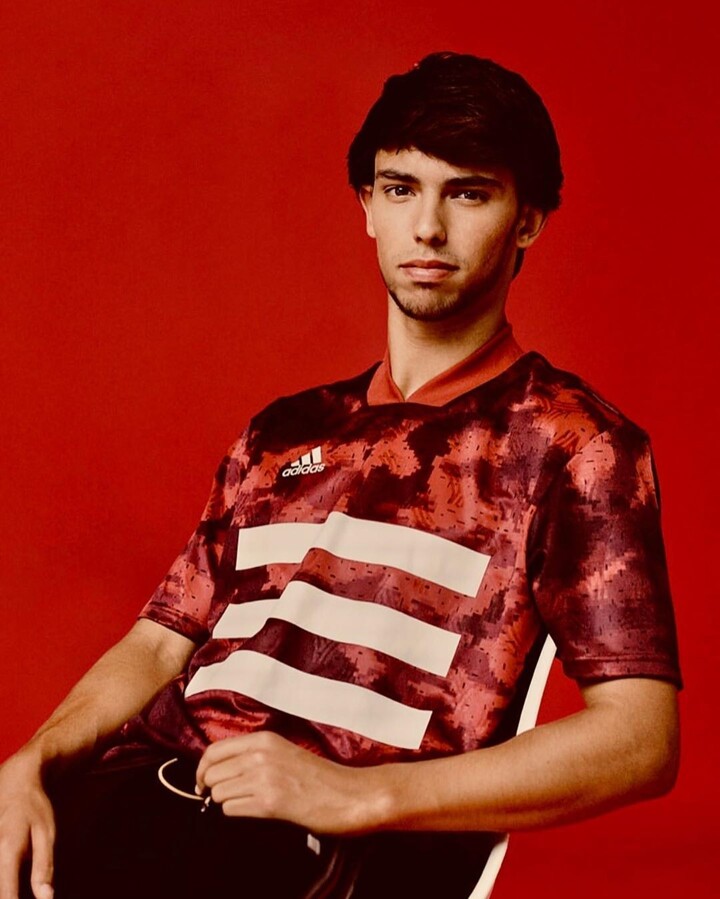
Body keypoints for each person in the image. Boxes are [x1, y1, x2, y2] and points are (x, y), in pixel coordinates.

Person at [0, 52, 681, 899]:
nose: (427, 227)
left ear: (528, 220)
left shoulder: (573, 443)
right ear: (367, 206)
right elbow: (157, 643)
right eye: (400, 188)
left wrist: (363, 796)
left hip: (313, 854)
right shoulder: (282, 431)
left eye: (468, 193)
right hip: (134, 798)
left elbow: (641, 737)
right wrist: (32, 762)